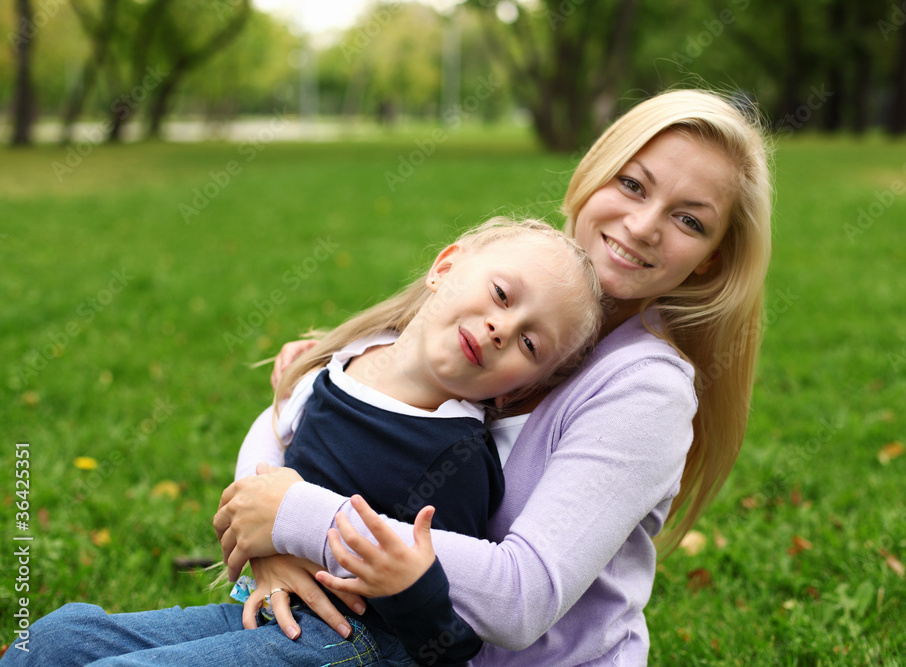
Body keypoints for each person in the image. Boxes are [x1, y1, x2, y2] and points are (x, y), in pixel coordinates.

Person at [213, 88, 774, 665]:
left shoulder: (647, 390)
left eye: (689, 220)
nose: (643, 224)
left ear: (710, 258)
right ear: (592, 174)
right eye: (632, 184)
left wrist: (298, 520)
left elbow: (522, 597)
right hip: (359, 632)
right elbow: (288, 416)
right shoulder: (505, 287)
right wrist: (268, 541)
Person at [1, 218, 605, 667]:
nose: (503, 328)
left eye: (531, 344)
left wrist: (413, 587)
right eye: (501, 295)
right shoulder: (340, 366)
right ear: (445, 266)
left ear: (520, 387)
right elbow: (267, 446)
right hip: (269, 610)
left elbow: (449, 644)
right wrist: (265, 544)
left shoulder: (459, 454)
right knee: (56, 639)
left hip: (355, 644)